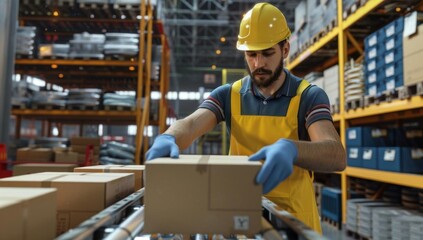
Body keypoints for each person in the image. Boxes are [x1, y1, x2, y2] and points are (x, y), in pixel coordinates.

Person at [145, 2, 346, 234]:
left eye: (268, 53)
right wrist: (170, 136)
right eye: (251, 54)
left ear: (285, 49)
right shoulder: (229, 95)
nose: (258, 64)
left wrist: (293, 149)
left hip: (294, 225)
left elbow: (335, 154)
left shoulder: (308, 96)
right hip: (241, 218)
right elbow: (192, 123)